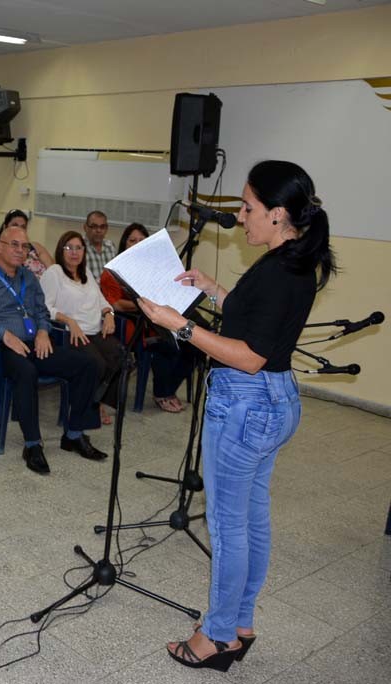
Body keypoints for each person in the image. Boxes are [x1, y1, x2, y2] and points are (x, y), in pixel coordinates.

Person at [138, 161, 336, 671]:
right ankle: (240, 623)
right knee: (251, 519)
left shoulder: (281, 270)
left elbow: (249, 356)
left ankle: (217, 636)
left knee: (228, 528)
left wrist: (180, 326)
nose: (240, 217)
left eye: (248, 208)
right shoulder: (291, 259)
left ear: (277, 213)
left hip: (246, 403)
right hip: (275, 400)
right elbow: (255, 320)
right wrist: (211, 288)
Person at [0, 224, 107, 473]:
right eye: (14, 245)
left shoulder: (28, 278)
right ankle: (32, 444)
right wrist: (2, 334)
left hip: (31, 343)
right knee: (26, 371)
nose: (21, 250)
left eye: (25, 246)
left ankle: (73, 434)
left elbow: (41, 311)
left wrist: (43, 331)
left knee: (88, 364)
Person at [100, 223, 193, 413]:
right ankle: (162, 393)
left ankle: (168, 389)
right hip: (132, 323)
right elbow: (116, 304)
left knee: (193, 344)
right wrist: (145, 304)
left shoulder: (154, 269)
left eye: (141, 241)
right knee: (165, 344)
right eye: (132, 240)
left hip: (161, 317)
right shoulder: (112, 271)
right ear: (124, 244)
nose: (136, 244)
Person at [40, 231, 122, 425]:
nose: (74, 252)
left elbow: (102, 301)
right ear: (61, 250)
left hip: (95, 330)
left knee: (120, 355)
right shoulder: (54, 272)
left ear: (84, 251)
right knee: (96, 364)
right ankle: (87, 410)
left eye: (78, 248)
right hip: (69, 334)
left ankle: (97, 400)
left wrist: (109, 314)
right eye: (69, 248)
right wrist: (69, 320)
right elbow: (43, 307)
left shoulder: (86, 273)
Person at [0, 210, 54, 276]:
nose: (19, 229)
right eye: (14, 225)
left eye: (23, 227)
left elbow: (54, 271)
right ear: (5, 227)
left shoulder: (36, 247)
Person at [83, 210, 115, 283]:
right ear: (85, 227)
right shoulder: (80, 247)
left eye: (102, 227)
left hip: (109, 289)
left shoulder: (111, 246)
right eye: (94, 226)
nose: (98, 230)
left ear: (106, 229)